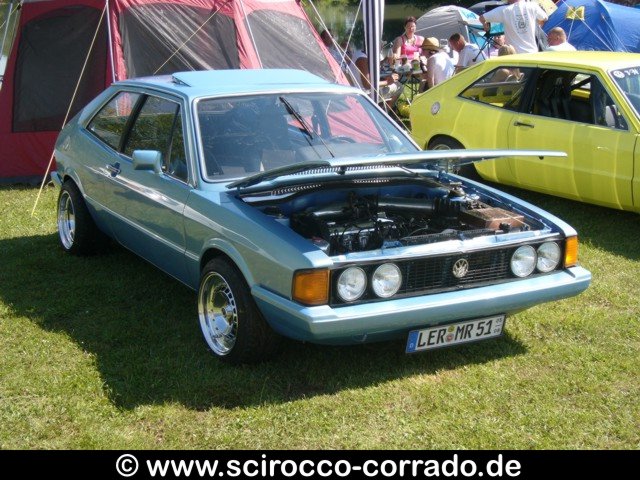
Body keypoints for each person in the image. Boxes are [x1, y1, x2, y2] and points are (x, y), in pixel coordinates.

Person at [480, 0, 548, 54]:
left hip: (514, 56)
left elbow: (482, 18)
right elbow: (545, 18)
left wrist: (485, 26)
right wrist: (536, 25)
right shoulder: (532, 6)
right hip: (532, 53)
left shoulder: (503, 10)